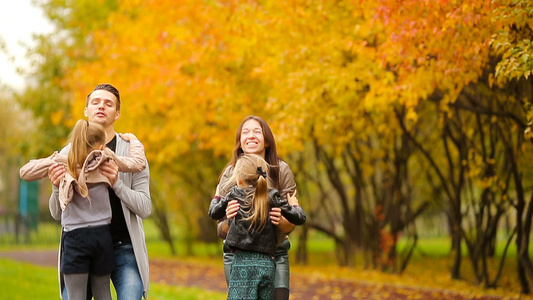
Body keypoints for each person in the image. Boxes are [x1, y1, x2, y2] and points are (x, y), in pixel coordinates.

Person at [48, 83, 152, 300]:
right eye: (95, 102)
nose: (101, 107)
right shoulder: (68, 154)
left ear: (117, 113)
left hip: (123, 246)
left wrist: (117, 183)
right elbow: (57, 213)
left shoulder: (133, 155)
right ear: (86, 110)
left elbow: (145, 208)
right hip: (80, 244)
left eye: (108, 103)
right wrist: (57, 187)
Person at [21, 120, 145, 300]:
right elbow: (138, 163)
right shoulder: (105, 159)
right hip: (102, 237)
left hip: (75, 239)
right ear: (100, 145)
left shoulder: (64, 163)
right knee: (103, 294)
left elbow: (25, 172)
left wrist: (50, 160)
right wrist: (133, 141)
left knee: (76, 296)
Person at [215, 115, 302, 300]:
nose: (251, 136)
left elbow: (292, 225)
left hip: (275, 255)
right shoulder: (230, 174)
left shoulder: (281, 170)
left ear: (267, 141)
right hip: (238, 257)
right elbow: (220, 230)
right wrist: (229, 221)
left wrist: (281, 221)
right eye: (245, 132)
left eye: (257, 131)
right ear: (240, 142)